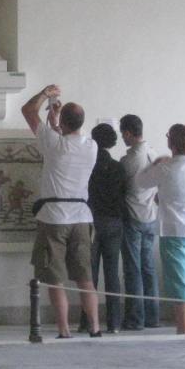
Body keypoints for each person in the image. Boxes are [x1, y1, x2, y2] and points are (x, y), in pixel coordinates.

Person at [21, 84, 101, 339]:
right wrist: (56, 120)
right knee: (84, 278)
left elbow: (27, 111)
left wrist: (45, 94)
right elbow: (65, 138)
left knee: (55, 278)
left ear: (64, 122)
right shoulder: (92, 146)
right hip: (81, 217)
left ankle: (64, 329)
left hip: (54, 216)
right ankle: (95, 328)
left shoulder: (55, 145)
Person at [134, 124, 185, 335]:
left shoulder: (165, 168)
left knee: (180, 283)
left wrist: (156, 162)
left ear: (171, 143)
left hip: (175, 230)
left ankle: (183, 330)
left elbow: (140, 182)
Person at [77, 123, 125, 333]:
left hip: (92, 221)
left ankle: (87, 321)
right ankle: (114, 323)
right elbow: (123, 195)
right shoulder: (118, 167)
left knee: (90, 274)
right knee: (113, 274)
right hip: (114, 222)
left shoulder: (87, 166)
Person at [118, 113, 161, 330]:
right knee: (148, 268)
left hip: (133, 217)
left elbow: (121, 189)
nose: (122, 138)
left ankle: (135, 318)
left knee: (132, 269)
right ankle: (153, 317)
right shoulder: (154, 154)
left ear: (127, 133)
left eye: (122, 134)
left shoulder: (128, 161)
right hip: (151, 216)